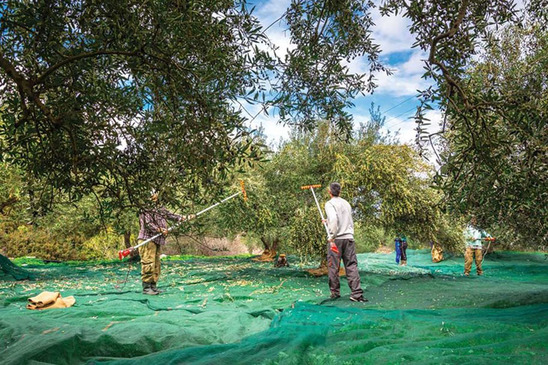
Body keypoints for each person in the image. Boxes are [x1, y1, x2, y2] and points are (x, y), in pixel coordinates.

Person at [138, 192, 192, 295]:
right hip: (147, 240)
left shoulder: (159, 208)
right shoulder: (145, 209)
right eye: (152, 194)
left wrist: (184, 217)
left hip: (157, 240)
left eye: (155, 193)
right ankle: (146, 287)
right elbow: (149, 224)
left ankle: (153, 286)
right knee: (148, 263)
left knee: (156, 264)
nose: (154, 196)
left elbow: (170, 215)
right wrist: (160, 230)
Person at [324, 182, 367, 302]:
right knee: (351, 265)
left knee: (333, 266)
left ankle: (335, 293)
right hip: (348, 238)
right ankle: (356, 294)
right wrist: (327, 221)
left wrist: (331, 236)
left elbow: (334, 219)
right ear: (340, 192)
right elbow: (343, 220)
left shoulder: (330, 204)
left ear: (329, 192)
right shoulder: (346, 203)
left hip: (336, 240)